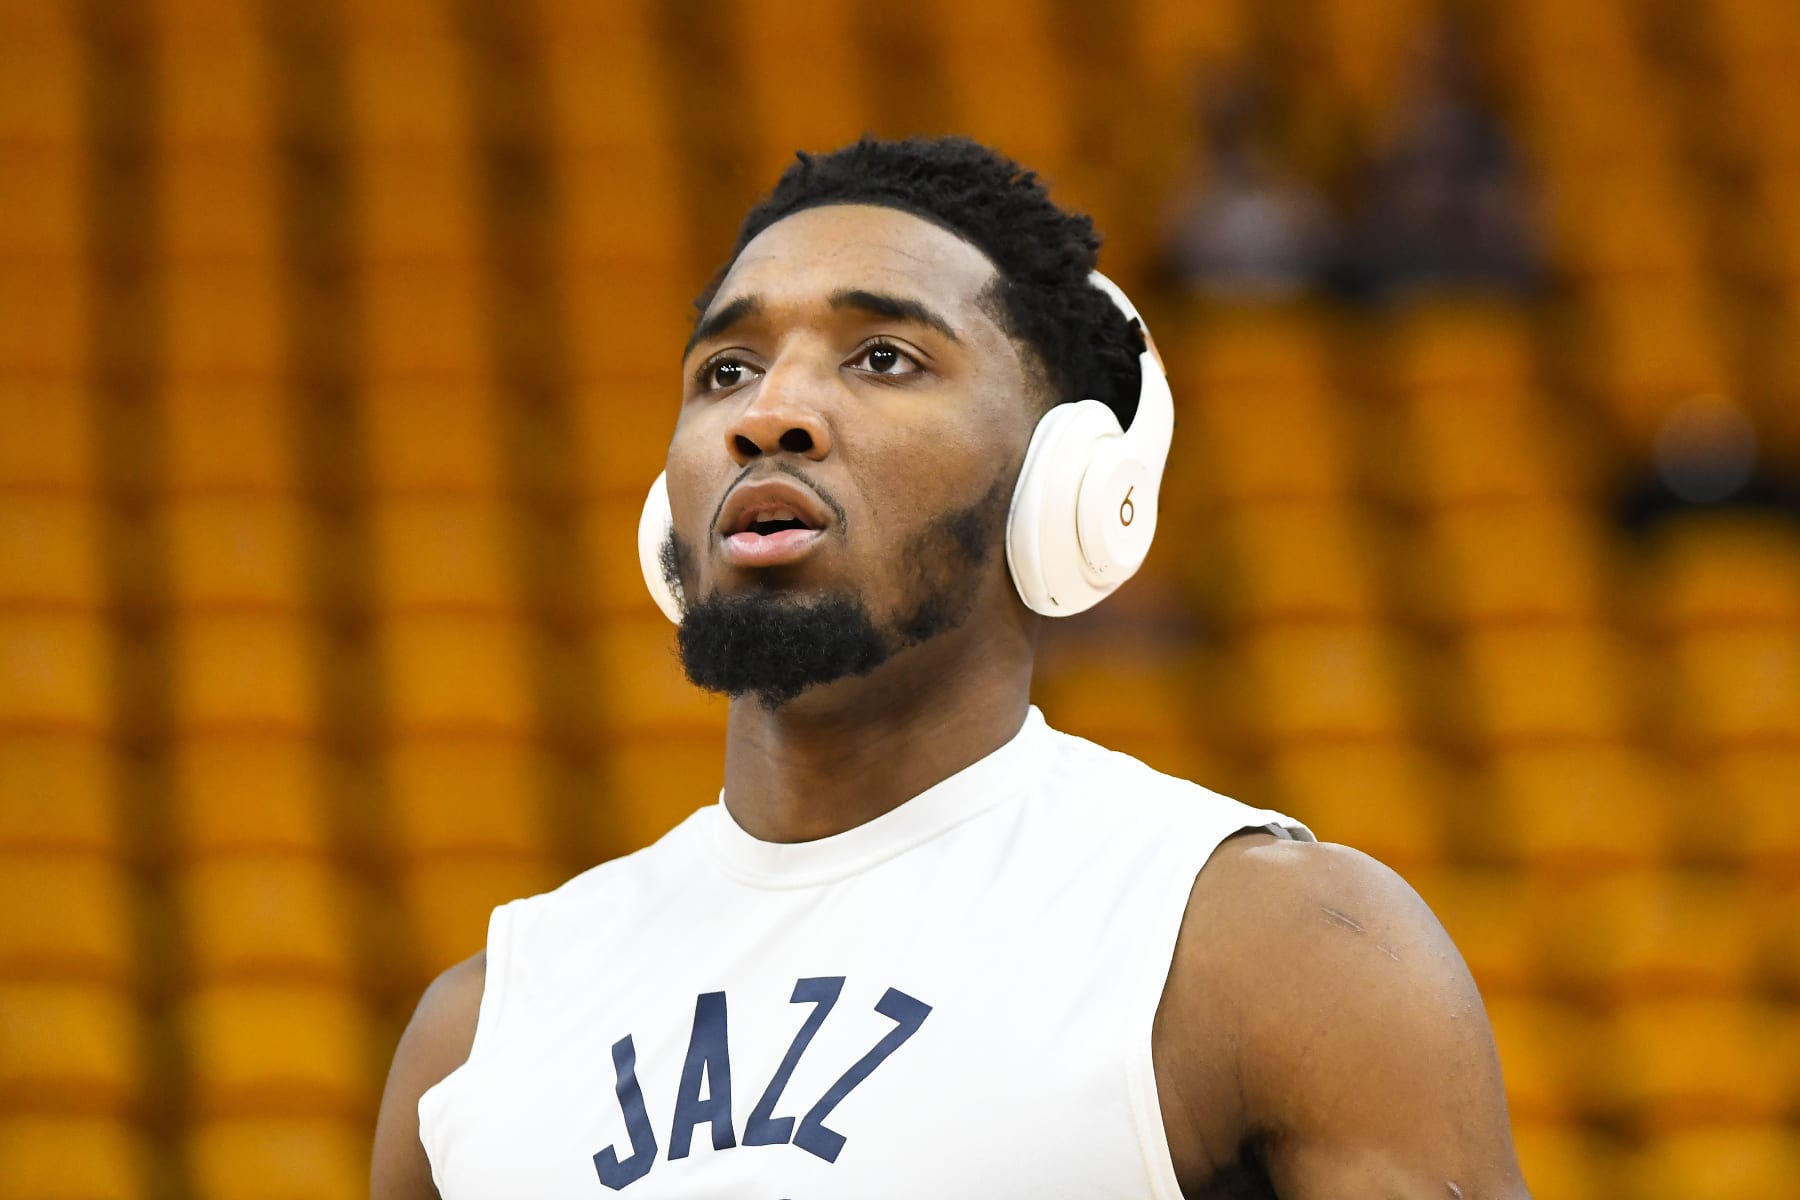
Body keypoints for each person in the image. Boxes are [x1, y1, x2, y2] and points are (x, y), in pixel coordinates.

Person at [371, 136, 1528, 1199]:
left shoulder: (1270, 950)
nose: (769, 413)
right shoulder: (480, 1035)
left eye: (883, 357)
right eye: (725, 370)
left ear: (1064, 487)